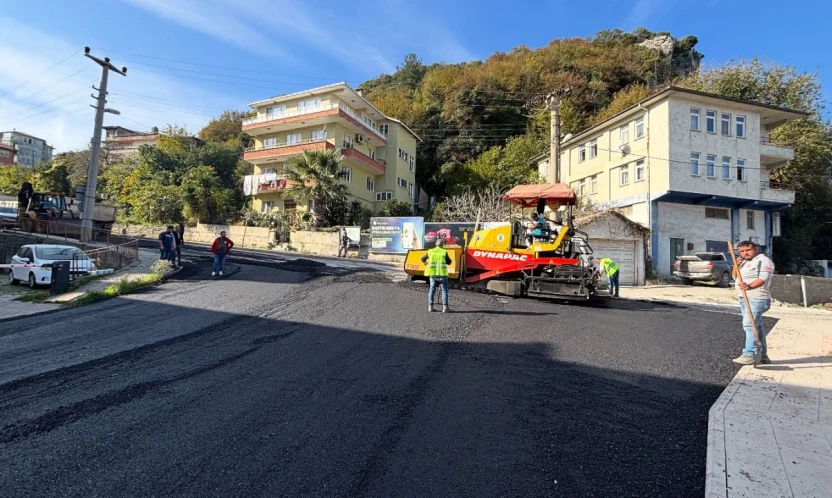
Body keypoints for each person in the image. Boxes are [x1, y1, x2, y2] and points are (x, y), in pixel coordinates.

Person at [732, 241, 774, 365]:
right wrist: (736, 266)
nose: (745, 253)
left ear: (755, 249)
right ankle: (763, 356)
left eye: (748, 250)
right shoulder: (744, 262)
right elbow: (735, 277)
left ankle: (749, 354)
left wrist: (749, 287)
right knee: (756, 326)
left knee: (749, 325)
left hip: (757, 298)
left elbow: (763, 278)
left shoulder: (763, 260)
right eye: (742, 251)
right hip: (744, 298)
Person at [421, 238, 452, 313]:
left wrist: (426, 264)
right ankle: (445, 308)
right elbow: (449, 262)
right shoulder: (444, 252)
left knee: (431, 290)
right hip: (442, 275)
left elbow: (422, 258)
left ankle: (430, 307)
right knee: (444, 291)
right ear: (442, 245)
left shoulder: (430, 251)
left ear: (436, 244)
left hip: (433, 274)